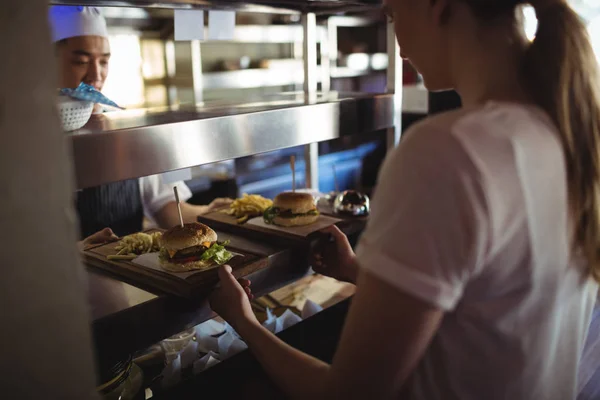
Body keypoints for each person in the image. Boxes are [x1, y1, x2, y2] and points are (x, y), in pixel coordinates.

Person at [210, 0, 600, 399]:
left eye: (394, 13)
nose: (396, 45)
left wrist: (244, 322)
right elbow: (495, 309)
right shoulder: (567, 132)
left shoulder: (448, 150)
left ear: (437, 7)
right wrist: (362, 274)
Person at [49, 6, 231, 241]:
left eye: (104, 62)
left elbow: (168, 209)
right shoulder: (24, 137)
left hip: (132, 271)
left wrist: (211, 213)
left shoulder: (126, 132)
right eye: (81, 61)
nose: (96, 75)